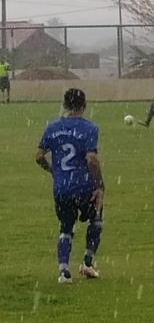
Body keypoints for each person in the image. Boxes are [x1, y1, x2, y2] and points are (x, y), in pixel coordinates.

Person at [35, 88, 104, 284]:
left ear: (64, 105)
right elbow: (91, 159)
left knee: (65, 229)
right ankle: (88, 263)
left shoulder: (52, 127)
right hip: (84, 186)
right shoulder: (90, 128)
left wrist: (53, 171)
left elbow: (39, 156)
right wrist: (100, 185)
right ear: (84, 106)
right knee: (95, 219)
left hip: (62, 188)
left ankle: (64, 272)